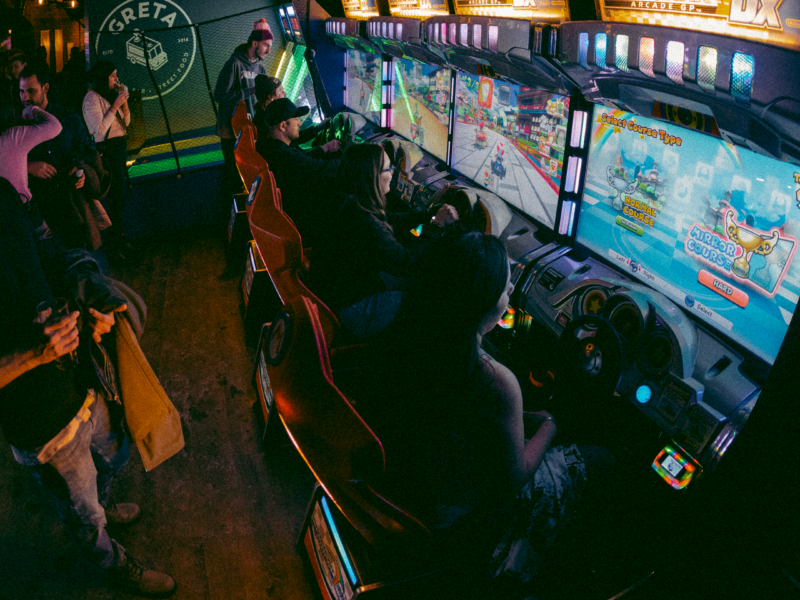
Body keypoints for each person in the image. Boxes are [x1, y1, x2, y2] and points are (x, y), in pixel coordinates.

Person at [364, 232, 615, 593]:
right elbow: (516, 476)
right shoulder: (495, 382)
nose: (510, 292)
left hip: (407, 482)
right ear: (480, 301)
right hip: (464, 517)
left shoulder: (409, 333)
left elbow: (464, 416)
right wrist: (549, 423)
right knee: (604, 460)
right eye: (503, 287)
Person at [0, 177, 176, 596]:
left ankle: (106, 504)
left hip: (80, 380)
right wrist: (31, 355)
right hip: (40, 422)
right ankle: (113, 564)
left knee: (116, 456)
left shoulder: (4, 195)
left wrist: (90, 294)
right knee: (84, 514)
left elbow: (50, 253)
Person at [308, 143, 458, 337]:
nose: (394, 172)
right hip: (350, 310)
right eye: (388, 168)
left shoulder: (345, 199)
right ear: (372, 176)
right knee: (428, 300)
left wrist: (427, 213)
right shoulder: (360, 218)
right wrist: (436, 226)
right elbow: (408, 264)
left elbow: (387, 220)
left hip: (333, 295)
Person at [21, 62, 99, 247]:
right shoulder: (17, 125)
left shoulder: (68, 118)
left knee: (79, 255)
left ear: (45, 88)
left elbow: (87, 149)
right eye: (21, 92)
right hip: (38, 207)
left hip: (69, 203)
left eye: (31, 91)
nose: (25, 97)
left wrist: (80, 170)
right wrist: (29, 167)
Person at [256, 98, 342, 245]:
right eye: (296, 118)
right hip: (303, 218)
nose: (300, 123)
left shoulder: (270, 145)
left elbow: (301, 159)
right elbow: (320, 169)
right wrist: (353, 160)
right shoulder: (284, 157)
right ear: (283, 126)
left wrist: (325, 148)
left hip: (292, 207)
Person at [214, 17, 273, 208]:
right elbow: (219, 95)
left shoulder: (261, 68)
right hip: (229, 131)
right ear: (254, 43)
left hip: (248, 129)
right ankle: (228, 214)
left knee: (244, 175)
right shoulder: (234, 63)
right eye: (265, 45)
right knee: (232, 173)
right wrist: (249, 91)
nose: (268, 50)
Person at [82, 60, 134, 263]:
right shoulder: (91, 99)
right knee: (114, 199)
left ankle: (120, 240)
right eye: (113, 75)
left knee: (120, 198)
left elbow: (127, 123)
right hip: (108, 153)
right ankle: (113, 248)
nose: (116, 79)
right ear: (104, 77)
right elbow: (99, 132)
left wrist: (125, 103)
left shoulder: (111, 95)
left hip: (120, 150)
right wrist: (115, 105)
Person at [253, 75, 338, 154]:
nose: (285, 94)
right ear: (270, 97)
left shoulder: (266, 115)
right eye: (281, 91)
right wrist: (325, 148)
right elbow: (296, 158)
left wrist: (316, 129)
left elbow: (293, 138)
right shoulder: (268, 120)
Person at [1, 49, 25, 116]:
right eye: (11, 68)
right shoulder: (11, 82)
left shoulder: (28, 83)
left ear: (24, 65)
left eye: (16, 67)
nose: (13, 71)